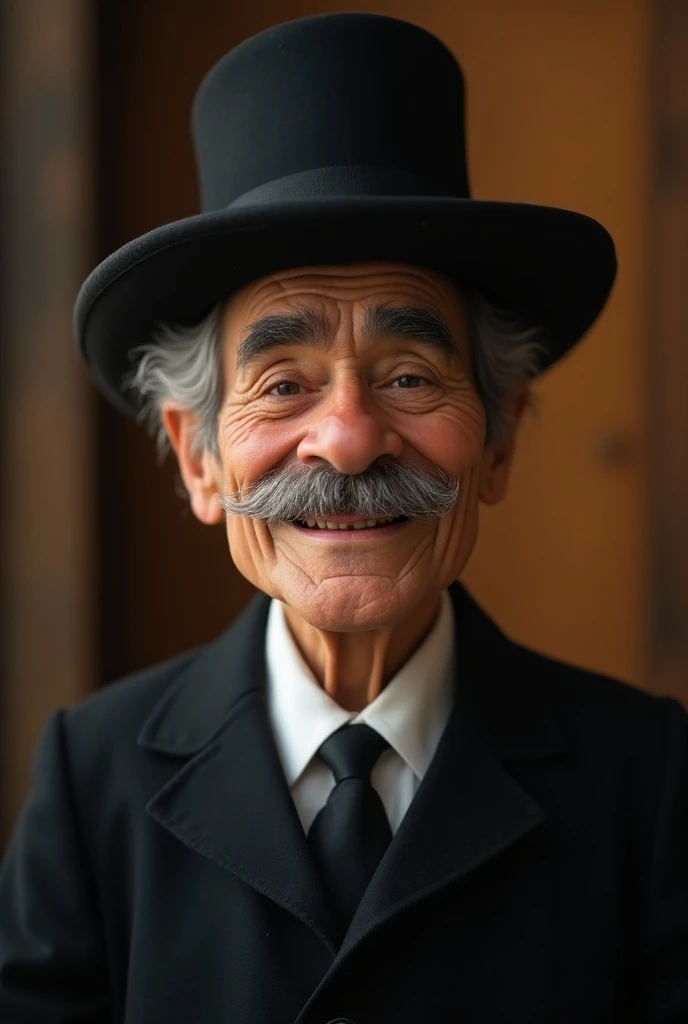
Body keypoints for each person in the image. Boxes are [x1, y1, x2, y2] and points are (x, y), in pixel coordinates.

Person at [1, 12, 686, 1024]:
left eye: (409, 374)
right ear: (197, 458)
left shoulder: (648, 778)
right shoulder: (88, 775)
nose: (350, 439)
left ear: (498, 444)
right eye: (282, 383)